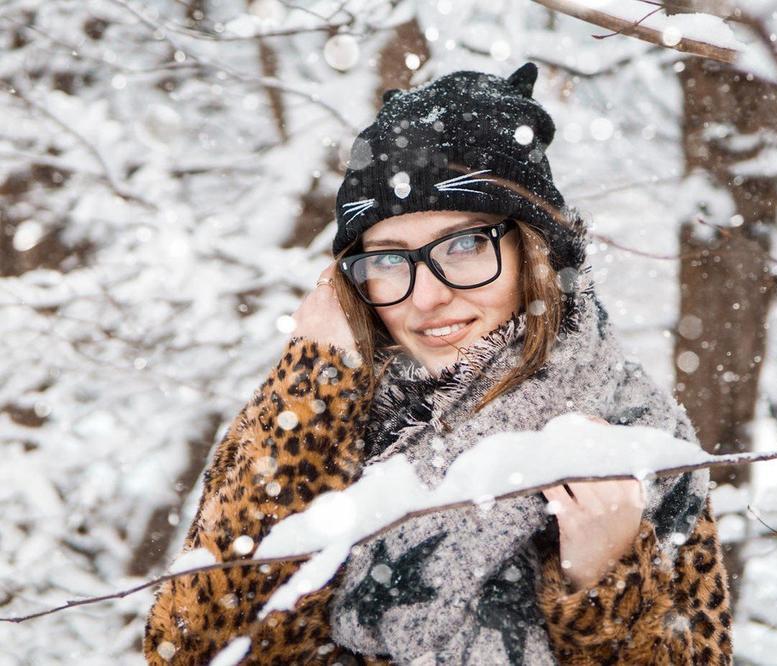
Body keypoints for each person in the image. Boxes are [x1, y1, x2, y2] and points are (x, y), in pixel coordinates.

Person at [144, 62, 732, 665]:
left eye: (466, 245)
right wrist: (312, 387)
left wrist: (605, 583)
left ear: (537, 251)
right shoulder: (316, 413)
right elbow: (193, 650)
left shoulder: (638, 441)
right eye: (390, 261)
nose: (426, 296)